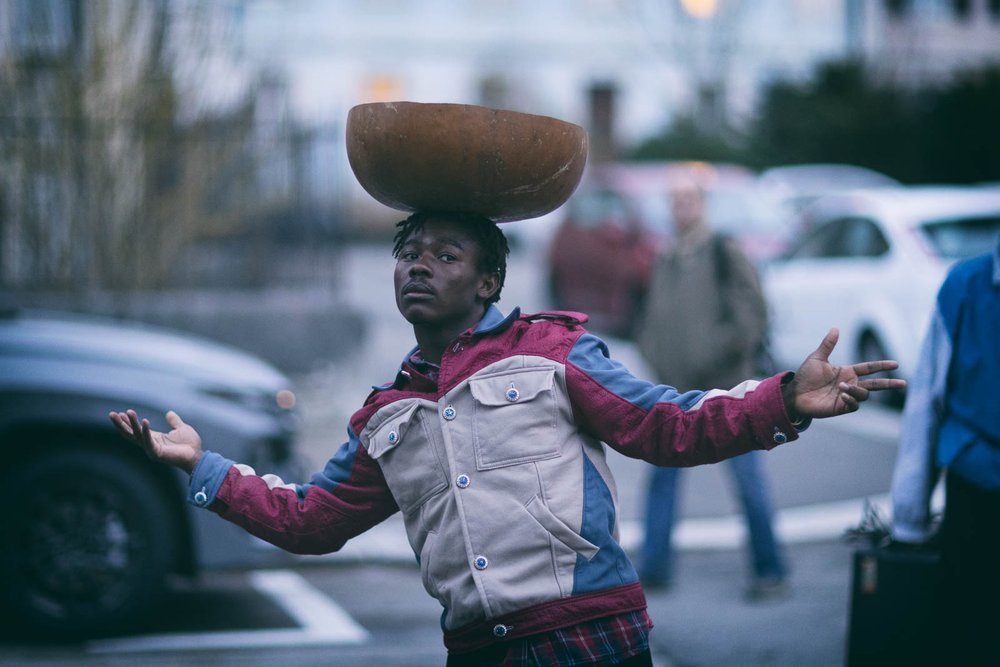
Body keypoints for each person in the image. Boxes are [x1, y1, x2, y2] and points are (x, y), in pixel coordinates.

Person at [112, 210, 903, 666]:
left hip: (594, 639)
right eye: (408, 256)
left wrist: (782, 401)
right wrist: (205, 466)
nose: (418, 268)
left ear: (487, 281)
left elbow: (668, 425)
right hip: (478, 652)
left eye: (444, 256)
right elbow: (312, 519)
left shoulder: (553, 351)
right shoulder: (388, 413)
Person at [634, 177, 787, 600]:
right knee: (661, 480)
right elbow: (652, 315)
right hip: (673, 392)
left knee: (747, 479)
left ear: (703, 204)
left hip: (726, 390)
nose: (681, 207)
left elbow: (753, 315)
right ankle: (655, 567)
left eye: (689, 199)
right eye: (675, 200)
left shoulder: (724, 250)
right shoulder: (666, 254)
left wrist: (715, 353)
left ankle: (769, 570)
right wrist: (654, 351)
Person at [889, 233, 1000, 663]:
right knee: (971, 632)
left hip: (974, 484)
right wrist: (909, 516)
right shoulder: (965, 287)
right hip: (977, 494)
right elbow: (926, 405)